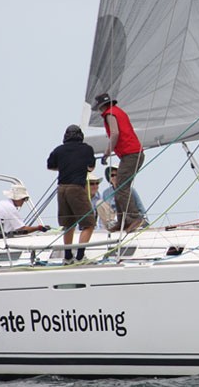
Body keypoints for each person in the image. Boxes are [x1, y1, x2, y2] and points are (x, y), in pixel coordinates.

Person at [93, 92, 145, 232]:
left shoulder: (110, 114)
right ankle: (123, 221)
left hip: (131, 154)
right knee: (120, 188)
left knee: (122, 187)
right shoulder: (117, 111)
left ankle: (134, 218)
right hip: (132, 154)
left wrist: (107, 153)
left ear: (100, 107)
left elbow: (115, 133)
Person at [47, 124, 96, 263]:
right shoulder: (87, 149)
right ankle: (80, 257)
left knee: (68, 224)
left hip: (61, 189)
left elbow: (50, 166)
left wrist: (65, 166)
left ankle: (68, 257)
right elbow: (91, 168)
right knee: (89, 223)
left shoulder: (59, 150)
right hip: (76, 188)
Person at [102, 165, 147, 230]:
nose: (115, 177)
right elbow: (104, 210)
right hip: (113, 221)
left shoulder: (131, 190)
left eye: (117, 175)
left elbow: (140, 207)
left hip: (128, 220)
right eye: (112, 175)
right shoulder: (106, 193)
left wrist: (145, 222)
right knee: (100, 203)